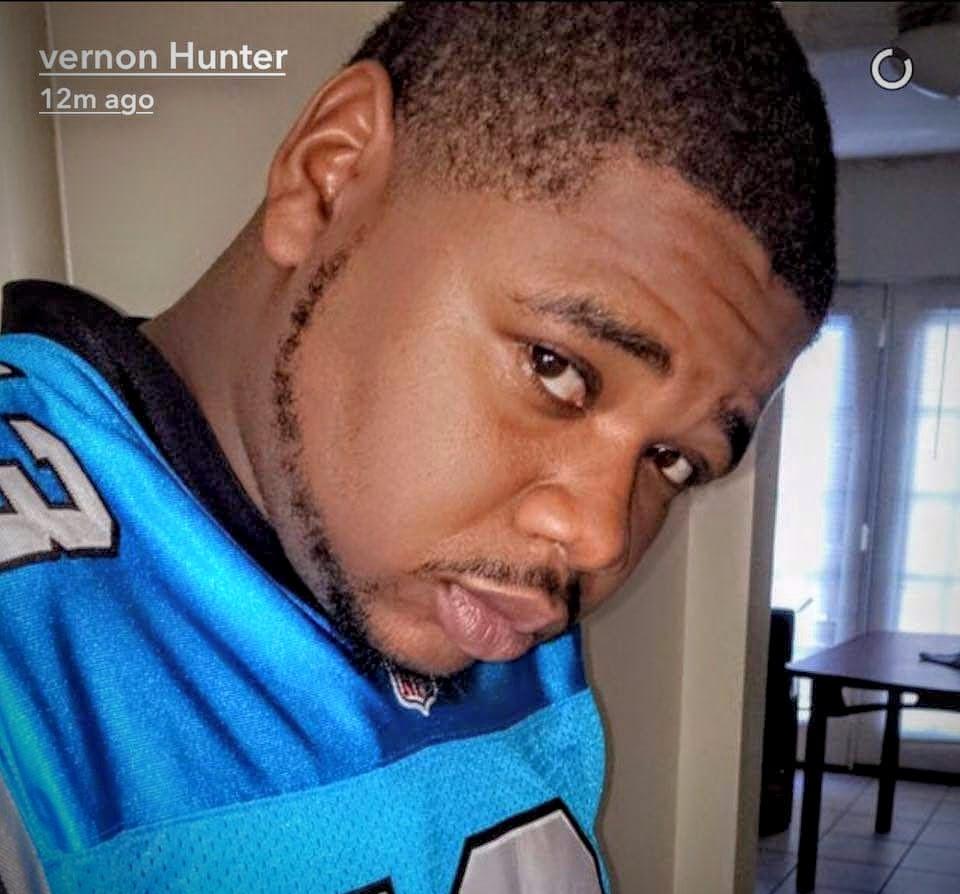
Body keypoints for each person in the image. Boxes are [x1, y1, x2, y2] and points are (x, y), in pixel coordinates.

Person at [0, 2, 835, 891]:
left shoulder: (477, 593)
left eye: (672, 461)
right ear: (331, 176)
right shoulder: (29, 637)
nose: (599, 539)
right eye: (556, 367)